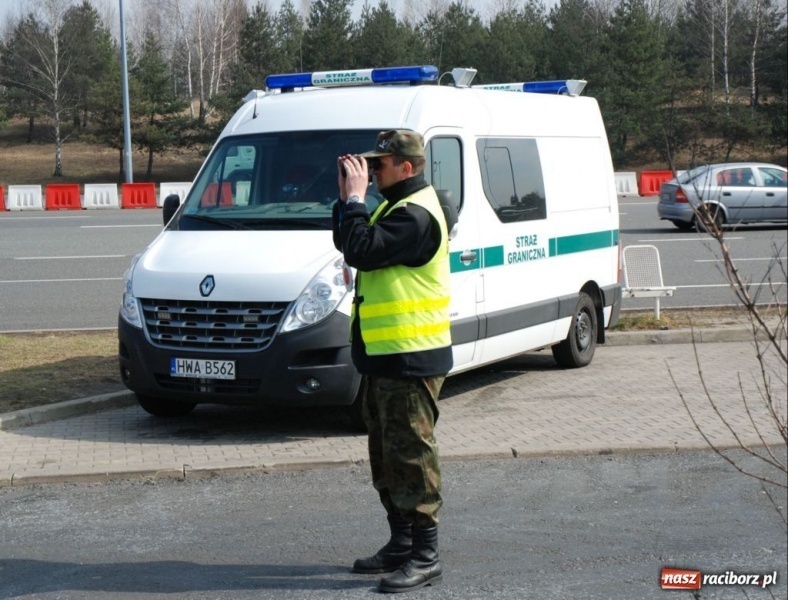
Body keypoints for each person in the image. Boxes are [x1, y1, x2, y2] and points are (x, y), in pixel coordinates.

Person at [332, 130, 453, 593]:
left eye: (378, 164)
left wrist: (358, 200)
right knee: (386, 457)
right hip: (385, 357)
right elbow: (349, 242)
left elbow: (362, 249)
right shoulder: (392, 207)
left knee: (412, 457)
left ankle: (426, 556)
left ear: (407, 166)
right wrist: (347, 198)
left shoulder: (417, 216)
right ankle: (401, 543)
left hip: (412, 358)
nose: (372, 171)